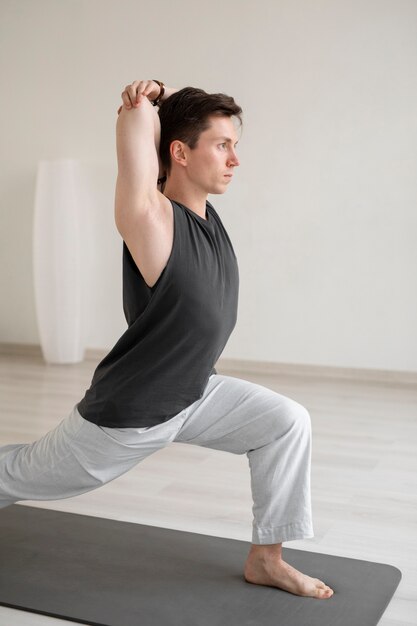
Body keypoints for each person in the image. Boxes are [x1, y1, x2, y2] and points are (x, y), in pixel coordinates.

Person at [0, 79, 333, 599]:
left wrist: (174, 102)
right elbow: (138, 141)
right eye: (222, 145)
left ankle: (267, 559)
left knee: (287, 423)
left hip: (194, 392)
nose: (234, 160)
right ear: (179, 153)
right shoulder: (150, 219)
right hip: (131, 414)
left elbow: (169, 131)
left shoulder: (205, 215)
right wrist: (141, 104)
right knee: (21, 474)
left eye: (234, 145)